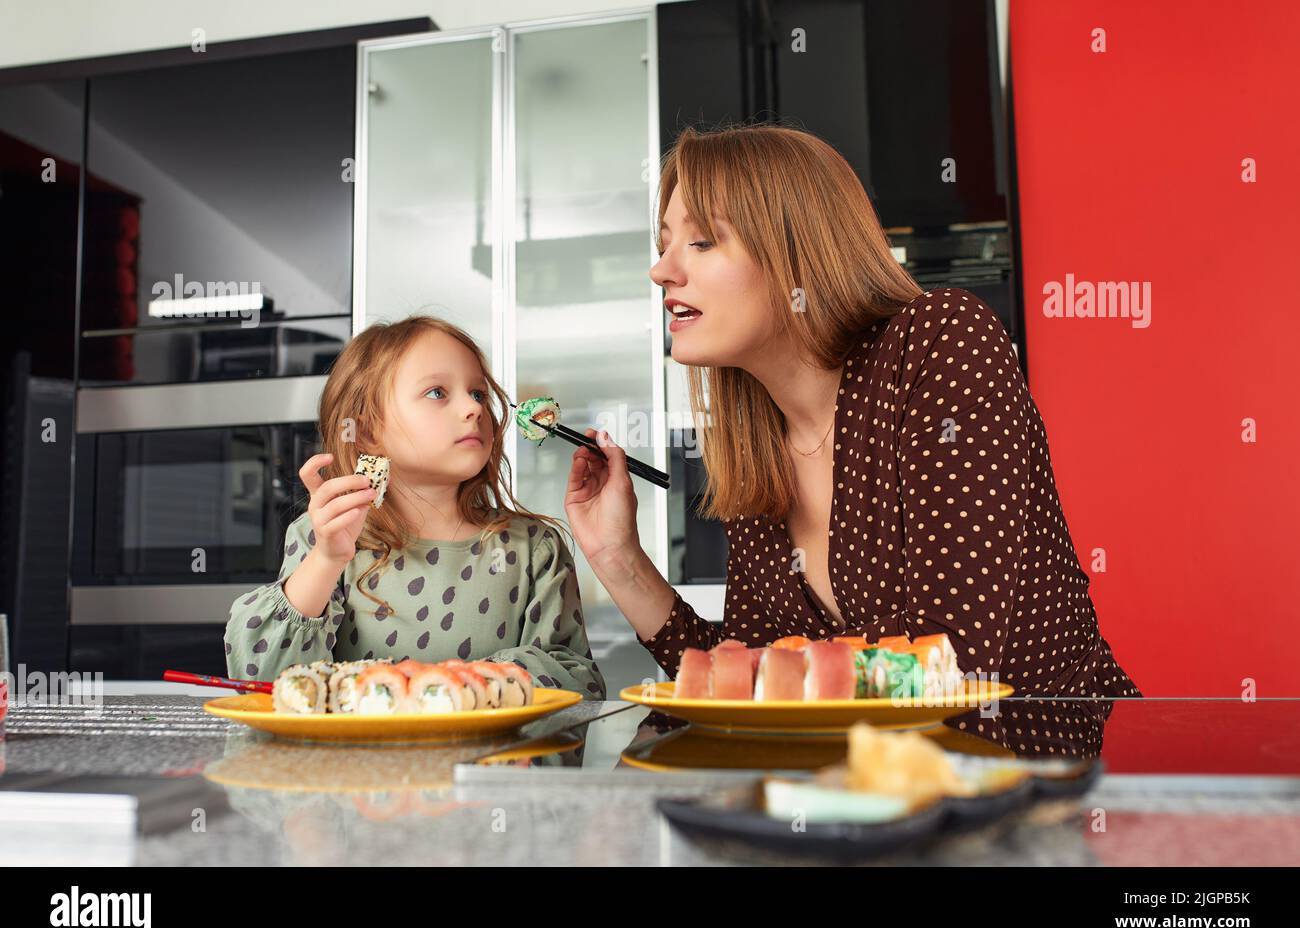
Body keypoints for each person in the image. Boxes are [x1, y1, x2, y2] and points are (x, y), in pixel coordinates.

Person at [563, 125, 1139, 731]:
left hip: (1042, 770)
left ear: (797, 252)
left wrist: (785, 677)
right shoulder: (756, 444)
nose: (661, 270)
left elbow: (951, 663)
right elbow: (743, 684)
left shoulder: (940, 343)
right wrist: (618, 557)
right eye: (664, 245)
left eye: (702, 241)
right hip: (877, 779)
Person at [223, 316, 605, 700]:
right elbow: (265, 683)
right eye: (437, 392)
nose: (473, 409)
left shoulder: (534, 547)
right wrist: (326, 560)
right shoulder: (321, 537)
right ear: (367, 431)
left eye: (478, 394)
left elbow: (577, 683)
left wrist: (457, 686)